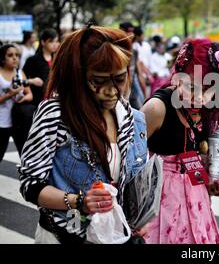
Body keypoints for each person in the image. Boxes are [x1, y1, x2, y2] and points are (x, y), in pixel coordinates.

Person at [18, 26, 150, 244]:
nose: (110, 90)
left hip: (114, 237)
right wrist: (78, 201)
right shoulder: (56, 114)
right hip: (64, 237)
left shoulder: (130, 116)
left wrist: (140, 220)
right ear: (78, 76)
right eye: (98, 81)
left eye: (119, 79)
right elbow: (30, 184)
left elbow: (134, 182)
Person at [139, 38, 219, 244]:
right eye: (193, 87)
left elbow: (197, 160)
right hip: (158, 205)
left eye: (209, 89)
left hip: (196, 202)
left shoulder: (209, 109)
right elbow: (129, 165)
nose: (201, 98)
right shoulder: (157, 108)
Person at [0, 44, 35, 161]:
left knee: (25, 155)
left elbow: (29, 94)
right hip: (2, 122)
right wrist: (10, 94)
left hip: (19, 121)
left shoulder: (20, 72)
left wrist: (23, 98)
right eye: (10, 55)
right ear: (2, 58)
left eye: (17, 55)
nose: (15, 58)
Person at [23, 29, 59, 107]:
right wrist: (32, 81)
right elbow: (22, 79)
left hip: (53, 101)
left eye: (56, 41)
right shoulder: (32, 60)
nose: (54, 44)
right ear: (43, 42)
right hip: (37, 102)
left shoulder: (57, 59)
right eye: (51, 41)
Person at [119, 22, 146, 109]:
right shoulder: (117, 52)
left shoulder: (134, 52)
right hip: (122, 88)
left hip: (132, 86)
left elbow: (139, 74)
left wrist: (144, 92)